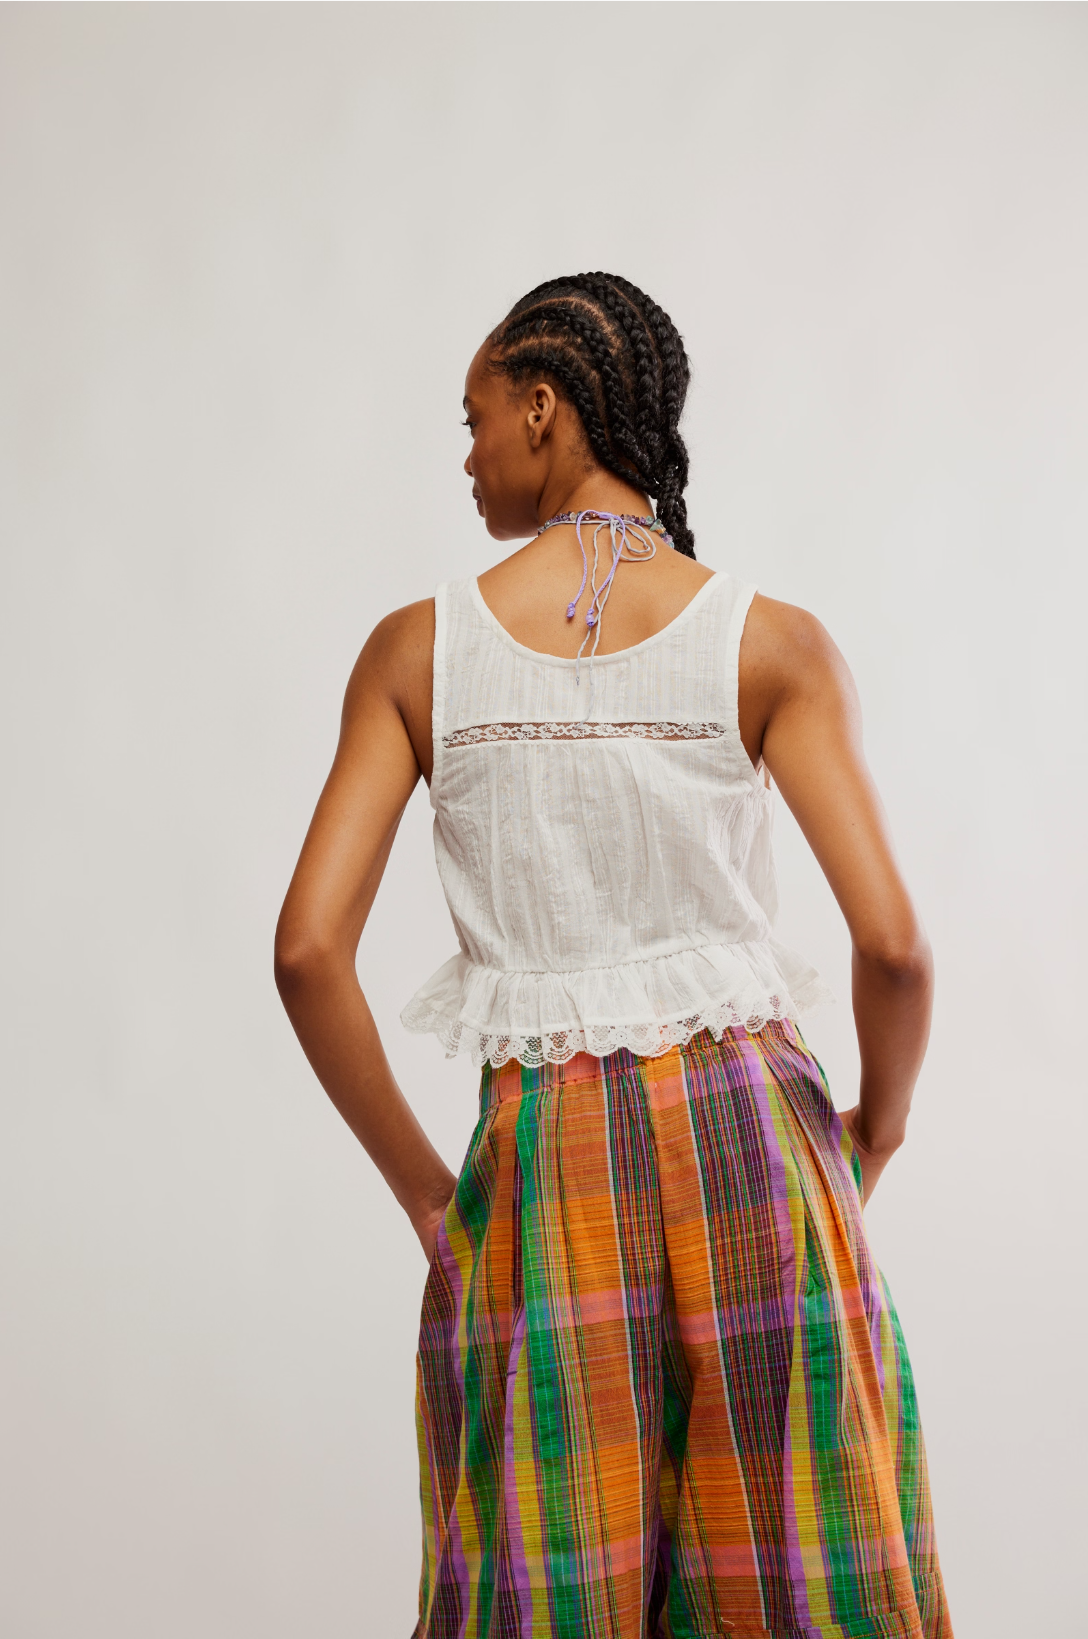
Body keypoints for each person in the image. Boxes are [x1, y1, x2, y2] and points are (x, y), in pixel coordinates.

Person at [274, 273, 952, 1639]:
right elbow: (894, 946)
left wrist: (432, 1200)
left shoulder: (416, 653)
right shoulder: (771, 641)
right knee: (798, 1578)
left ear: (544, 406)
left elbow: (305, 953)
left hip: (543, 1170)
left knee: (547, 1577)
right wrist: (877, 1129)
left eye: (473, 419)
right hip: (761, 1150)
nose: (467, 454)